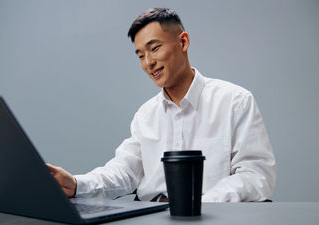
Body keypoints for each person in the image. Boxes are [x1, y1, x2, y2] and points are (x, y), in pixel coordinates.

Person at [46, 8, 276, 202]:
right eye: (140, 56)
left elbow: (257, 176)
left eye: (155, 48)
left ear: (183, 42)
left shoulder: (235, 101)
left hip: (213, 222)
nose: (149, 63)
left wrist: (197, 206)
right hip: (148, 224)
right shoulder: (146, 115)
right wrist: (76, 185)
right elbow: (124, 171)